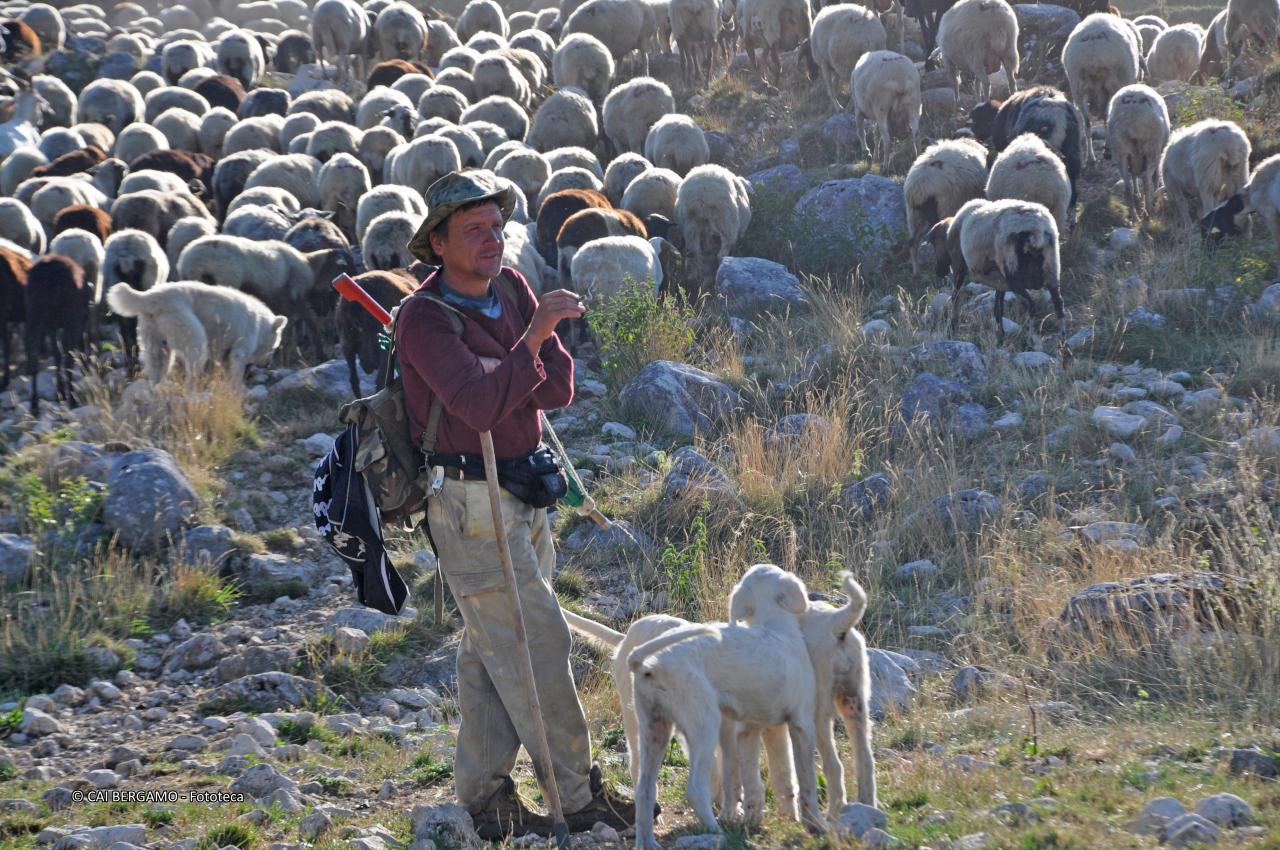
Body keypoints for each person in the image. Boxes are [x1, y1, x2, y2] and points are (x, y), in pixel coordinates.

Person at [395, 170, 636, 840]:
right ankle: (577, 796)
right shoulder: (424, 318)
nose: (490, 241)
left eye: (496, 228)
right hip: (470, 504)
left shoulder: (511, 290)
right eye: (472, 231)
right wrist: (529, 342)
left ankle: (484, 799)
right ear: (437, 243)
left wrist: (523, 353)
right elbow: (474, 405)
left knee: (490, 650)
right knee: (536, 640)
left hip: (525, 492)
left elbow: (556, 388)